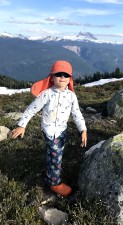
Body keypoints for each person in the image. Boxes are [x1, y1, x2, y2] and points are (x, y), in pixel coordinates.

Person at [11, 60, 87, 197]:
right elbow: (32, 109)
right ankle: (54, 182)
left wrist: (83, 129)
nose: (62, 77)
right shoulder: (46, 94)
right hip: (50, 132)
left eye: (66, 75)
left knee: (55, 153)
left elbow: (76, 113)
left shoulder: (71, 96)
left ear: (70, 78)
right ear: (51, 77)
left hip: (62, 130)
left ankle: (50, 169)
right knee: (56, 156)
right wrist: (22, 125)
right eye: (59, 74)